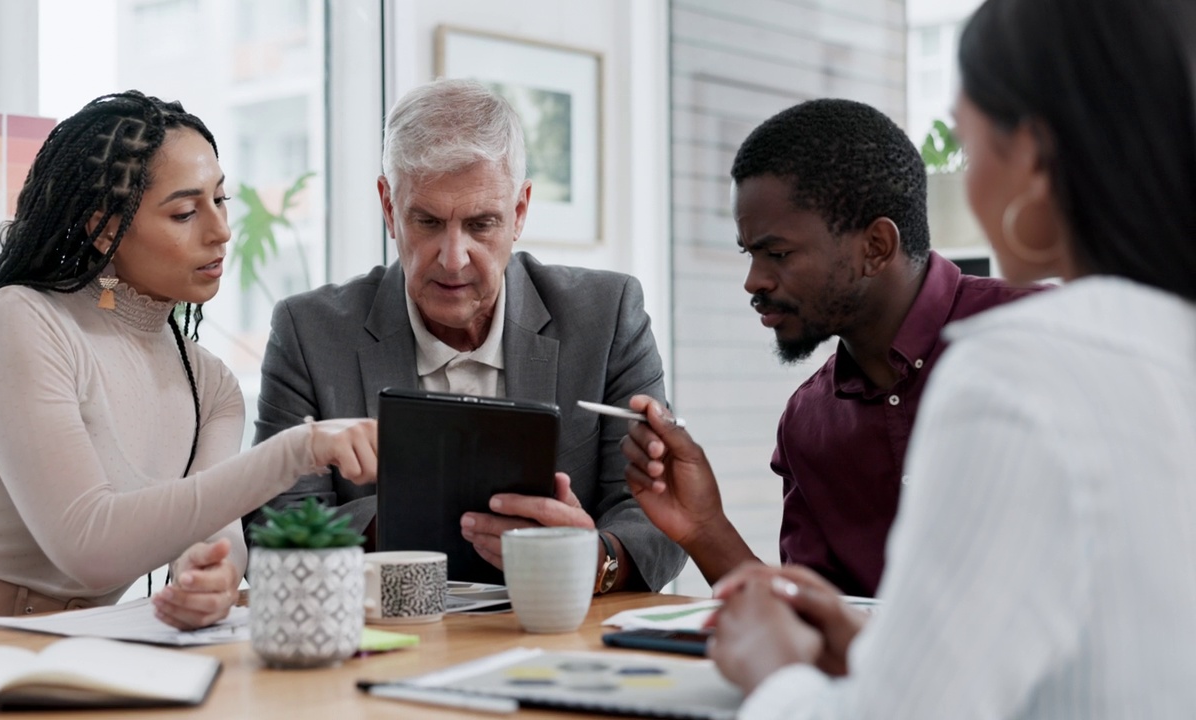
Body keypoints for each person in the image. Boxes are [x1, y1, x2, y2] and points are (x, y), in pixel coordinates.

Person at [684, 0, 1196, 715]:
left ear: (1034, 158)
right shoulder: (1164, 342)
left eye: (964, 137)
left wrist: (773, 675)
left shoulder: (1015, 369)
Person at [0, 91, 378, 628]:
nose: (220, 231)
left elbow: (213, 533)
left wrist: (213, 577)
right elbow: (88, 545)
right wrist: (298, 449)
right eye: (185, 211)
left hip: (81, 642)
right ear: (105, 228)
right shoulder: (19, 321)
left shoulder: (211, 383)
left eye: (220, 200)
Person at [251, 78, 685, 592]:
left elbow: (657, 513)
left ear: (519, 212)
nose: (453, 258)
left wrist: (595, 559)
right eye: (428, 221)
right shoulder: (309, 333)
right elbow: (274, 529)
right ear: (389, 208)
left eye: (482, 224)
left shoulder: (608, 316)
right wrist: (411, 519)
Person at [622, 98, 1038, 595]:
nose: (754, 281)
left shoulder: (1038, 338)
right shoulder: (808, 423)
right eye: (750, 253)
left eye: (776, 253)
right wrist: (703, 528)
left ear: (876, 247)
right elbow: (815, 631)